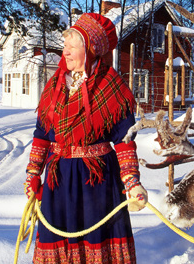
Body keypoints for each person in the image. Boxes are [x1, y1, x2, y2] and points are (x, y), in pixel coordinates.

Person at [24, 13, 148, 263]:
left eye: (71, 46)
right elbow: (42, 135)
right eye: (65, 46)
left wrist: (132, 182)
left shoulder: (113, 87)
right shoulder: (54, 86)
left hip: (97, 181)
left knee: (96, 242)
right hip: (57, 182)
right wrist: (33, 174)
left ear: (90, 49)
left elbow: (124, 141)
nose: (65, 52)